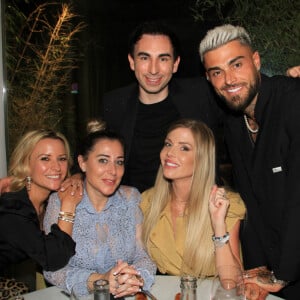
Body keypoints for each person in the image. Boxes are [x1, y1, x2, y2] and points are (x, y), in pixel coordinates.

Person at [199, 24, 300, 299]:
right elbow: (250, 201)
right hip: (280, 273)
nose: (228, 79)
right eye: (217, 72)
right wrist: (258, 268)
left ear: (256, 61)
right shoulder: (234, 122)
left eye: (236, 64)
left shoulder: (293, 101)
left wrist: (283, 273)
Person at [101, 21, 223, 192]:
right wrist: (77, 176)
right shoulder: (115, 104)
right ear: (131, 61)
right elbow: (95, 151)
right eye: (144, 58)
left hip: (195, 206)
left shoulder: (201, 95)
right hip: (135, 210)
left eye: (163, 59)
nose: (153, 69)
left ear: (175, 64)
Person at [43, 123, 156, 298]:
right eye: (103, 160)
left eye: (119, 162)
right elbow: (53, 269)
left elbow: (145, 255)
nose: (113, 171)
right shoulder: (60, 202)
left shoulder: (131, 198)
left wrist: (135, 277)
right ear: (82, 163)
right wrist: (100, 280)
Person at [141, 119, 245, 278]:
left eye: (184, 148)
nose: (170, 153)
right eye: (168, 144)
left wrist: (218, 225)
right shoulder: (148, 201)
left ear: (201, 159)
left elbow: (233, 281)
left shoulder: (224, 203)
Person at [0, 129, 82, 272]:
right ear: (25, 163)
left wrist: (77, 177)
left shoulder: (47, 199)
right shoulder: (13, 208)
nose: (56, 167)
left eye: (62, 159)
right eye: (45, 158)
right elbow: (55, 258)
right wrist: (69, 206)